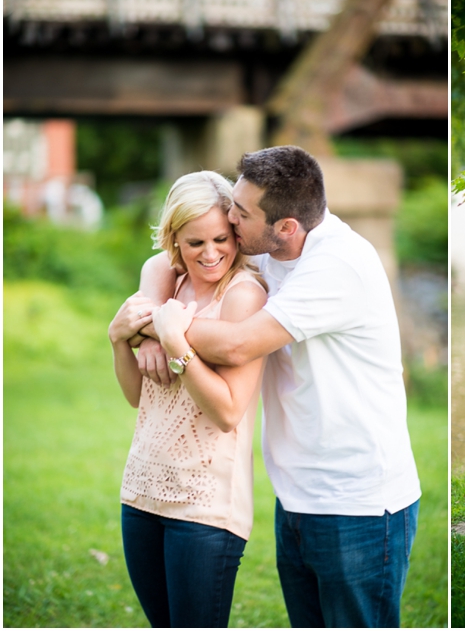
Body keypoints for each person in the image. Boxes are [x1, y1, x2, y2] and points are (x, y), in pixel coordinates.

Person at [135, 145, 421, 628]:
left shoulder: (338, 265)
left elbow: (237, 344)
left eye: (240, 214)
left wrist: (162, 327)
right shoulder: (269, 252)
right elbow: (165, 262)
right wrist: (150, 310)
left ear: (286, 226)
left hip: (359, 505)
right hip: (297, 498)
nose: (229, 218)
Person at [108, 171, 268, 627]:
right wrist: (120, 341)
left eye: (221, 238)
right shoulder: (164, 281)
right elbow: (136, 395)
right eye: (195, 243)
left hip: (205, 508)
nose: (211, 253)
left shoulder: (243, 297)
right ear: (173, 239)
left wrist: (173, 341)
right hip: (141, 491)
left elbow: (228, 411)